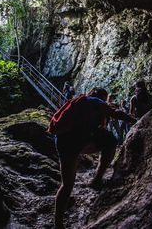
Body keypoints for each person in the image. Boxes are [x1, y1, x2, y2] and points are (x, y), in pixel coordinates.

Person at [50, 87, 136, 229]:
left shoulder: (80, 102)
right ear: (102, 96)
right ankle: (97, 179)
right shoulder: (97, 102)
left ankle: (58, 224)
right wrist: (134, 120)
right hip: (78, 141)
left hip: (64, 142)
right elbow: (116, 114)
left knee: (66, 185)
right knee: (111, 142)